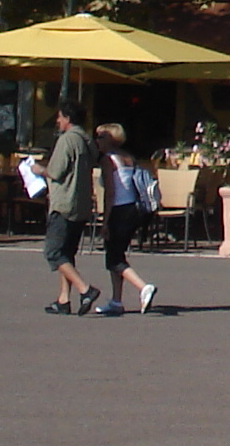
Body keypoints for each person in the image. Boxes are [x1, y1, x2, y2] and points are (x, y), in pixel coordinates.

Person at [93, 123, 160, 318]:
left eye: (101, 137)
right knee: (116, 254)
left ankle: (143, 287)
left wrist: (104, 221)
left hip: (119, 210)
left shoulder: (108, 160)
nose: (97, 141)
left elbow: (110, 193)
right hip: (133, 210)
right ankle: (116, 300)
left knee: (114, 258)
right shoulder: (128, 157)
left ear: (111, 139)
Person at [39, 105, 97, 316]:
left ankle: (85, 289)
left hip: (64, 202)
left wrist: (38, 170)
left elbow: (55, 171)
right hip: (81, 203)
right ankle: (63, 299)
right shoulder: (88, 140)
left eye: (60, 117)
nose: (58, 121)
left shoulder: (67, 140)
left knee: (53, 252)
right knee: (67, 253)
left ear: (68, 118)